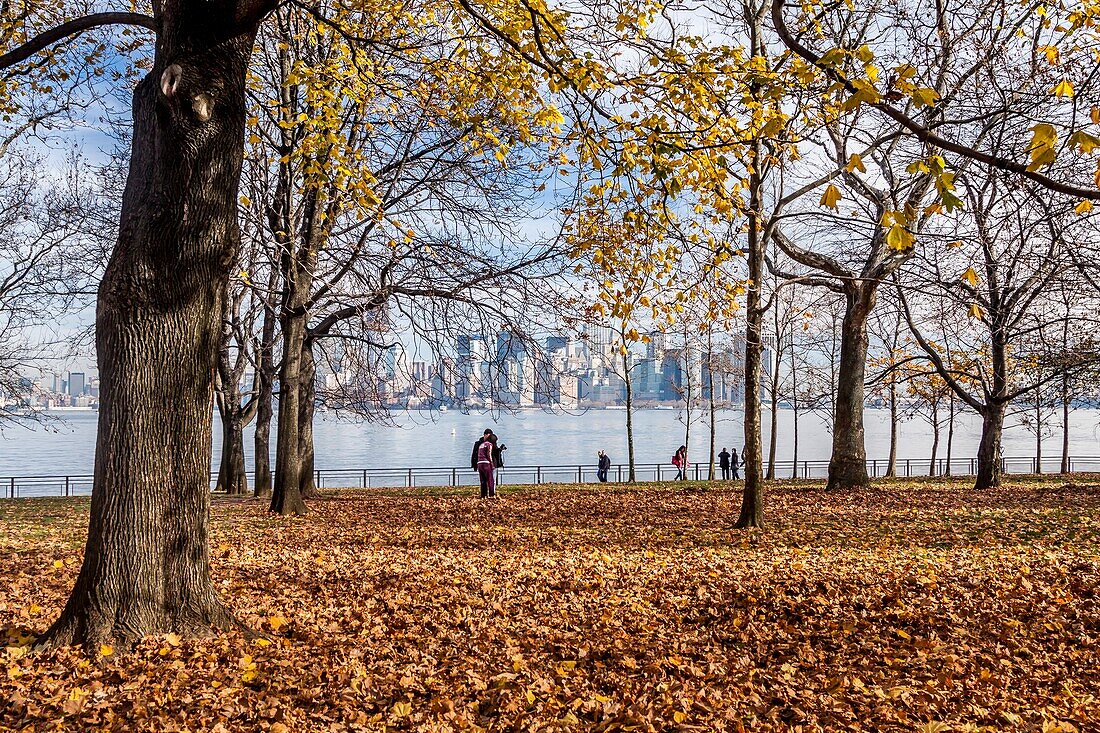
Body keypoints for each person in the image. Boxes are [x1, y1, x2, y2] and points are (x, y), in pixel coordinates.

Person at [477, 433, 498, 499]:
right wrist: (492, 464)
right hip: (486, 463)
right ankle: (491, 494)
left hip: (479, 463)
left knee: (483, 480)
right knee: (490, 479)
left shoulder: (481, 444)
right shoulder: (489, 444)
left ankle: (483, 495)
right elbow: (489, 454)